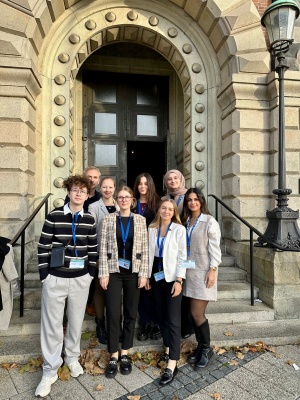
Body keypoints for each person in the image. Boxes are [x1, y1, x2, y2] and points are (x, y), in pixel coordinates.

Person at [36, 175, 97, 398]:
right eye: (74, 190)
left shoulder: (89, 219)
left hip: (80, 279)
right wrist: (45, 276)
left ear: (88, 194)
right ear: (68, 192)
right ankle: (50, 369)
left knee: (76, 321)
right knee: (52, 324)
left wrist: (90, 275)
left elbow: (93, 249)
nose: (78, 193)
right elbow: (43, 246)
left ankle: (71, 357)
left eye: (83, 190)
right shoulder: (54, 216)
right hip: (55, 278)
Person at [99, 186, 148, 378]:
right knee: (112, 312)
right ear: (117, 200)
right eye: (120, 197)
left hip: (134, 272)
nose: (124, 199)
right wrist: (103, 273)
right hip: (113, 272)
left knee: (130, 311)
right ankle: (113, 354)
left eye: (127, 197)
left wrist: (144, 274)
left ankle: (125, 352)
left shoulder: (141, 220)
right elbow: (103, 248)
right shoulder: (109, 219)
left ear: (132, 200)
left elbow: (144, 248)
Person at [181, 188, 222, 369]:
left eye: (196, 199)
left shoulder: (209, 221)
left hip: (204, 272)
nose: (192, 203)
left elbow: (215, 248)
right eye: (189, 200)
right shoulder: (185, 221)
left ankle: (206, 349)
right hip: (189, 271)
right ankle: (200, 347)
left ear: (202, 201)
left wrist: (213, 269)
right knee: (192, 314)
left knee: (198, 314)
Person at [148, 199, 187, 385]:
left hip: (172, 277)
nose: (166, 211)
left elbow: (183, 256)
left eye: (170, 209)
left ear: (174, 212)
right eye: (163, 207)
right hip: (156, 276)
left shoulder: (179, 229)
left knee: (173, 318)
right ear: (159, 209)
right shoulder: (152, 228)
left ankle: (173, 362)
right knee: (161, 315)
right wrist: (147, 276)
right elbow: (148, 253)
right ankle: (167, 349)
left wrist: (179, 280)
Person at [64, 166, 101, 317]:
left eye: (95, 177)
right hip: (74, 242)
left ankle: (90, 302)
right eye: (89, 176)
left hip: (92, 240)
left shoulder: (100, 197)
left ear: (98, 180)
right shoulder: (74, 195)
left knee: (91, 273)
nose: (92, 179)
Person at [162, 169, 193, 338]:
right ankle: (174, 324)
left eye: (175, 178)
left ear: (181, 179)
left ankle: (187, 326)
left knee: (185, 285)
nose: (173, 181)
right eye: (169, 179)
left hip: (189, 247)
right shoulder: (165, 199)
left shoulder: (189, 196)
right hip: (171, 248)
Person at [88, 177, 120, 344]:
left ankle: (114, 324)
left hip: (118, 255)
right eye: (105, 187)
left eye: (110, 187)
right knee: (99, 288)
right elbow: (91, 232)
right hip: (100, 253)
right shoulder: (93, 207)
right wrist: (96, 256)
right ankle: (100, 324)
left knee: (115, 289)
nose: (107, 190)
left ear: (114, 188)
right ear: (101, 188)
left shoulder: (120, 204)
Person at [132, 173, 161, 341]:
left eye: (145, 183)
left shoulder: (158, 204)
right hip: (135, 253)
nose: (143, 186)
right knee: (141, 290)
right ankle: (144, 322)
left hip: (153, 252)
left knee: (154, 289)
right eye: (140, 183)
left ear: (150, 185)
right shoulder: (132, 203)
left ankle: (155, 323)